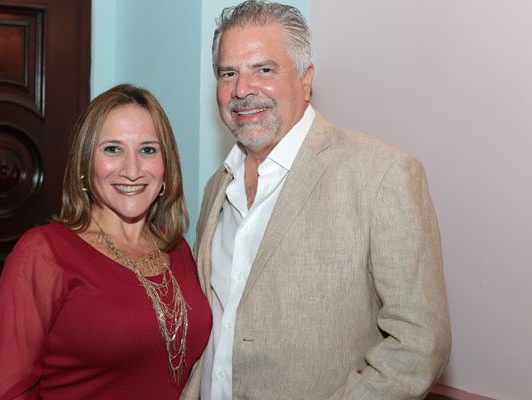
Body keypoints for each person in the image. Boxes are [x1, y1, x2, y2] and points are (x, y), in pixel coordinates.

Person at [181, 1, 451, 399]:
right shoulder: (217, 187)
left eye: (264, 70)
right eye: (228, 73)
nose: (242, 89)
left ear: (305, 79)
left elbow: (419, 343)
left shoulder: (382, 175)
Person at [0, 84, 212, 399]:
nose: (132, 170)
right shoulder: (43, 254)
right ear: (85, 163)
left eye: (147, 150)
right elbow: (6, 389)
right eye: (113, 149)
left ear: (166, 165)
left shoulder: (178, 249)